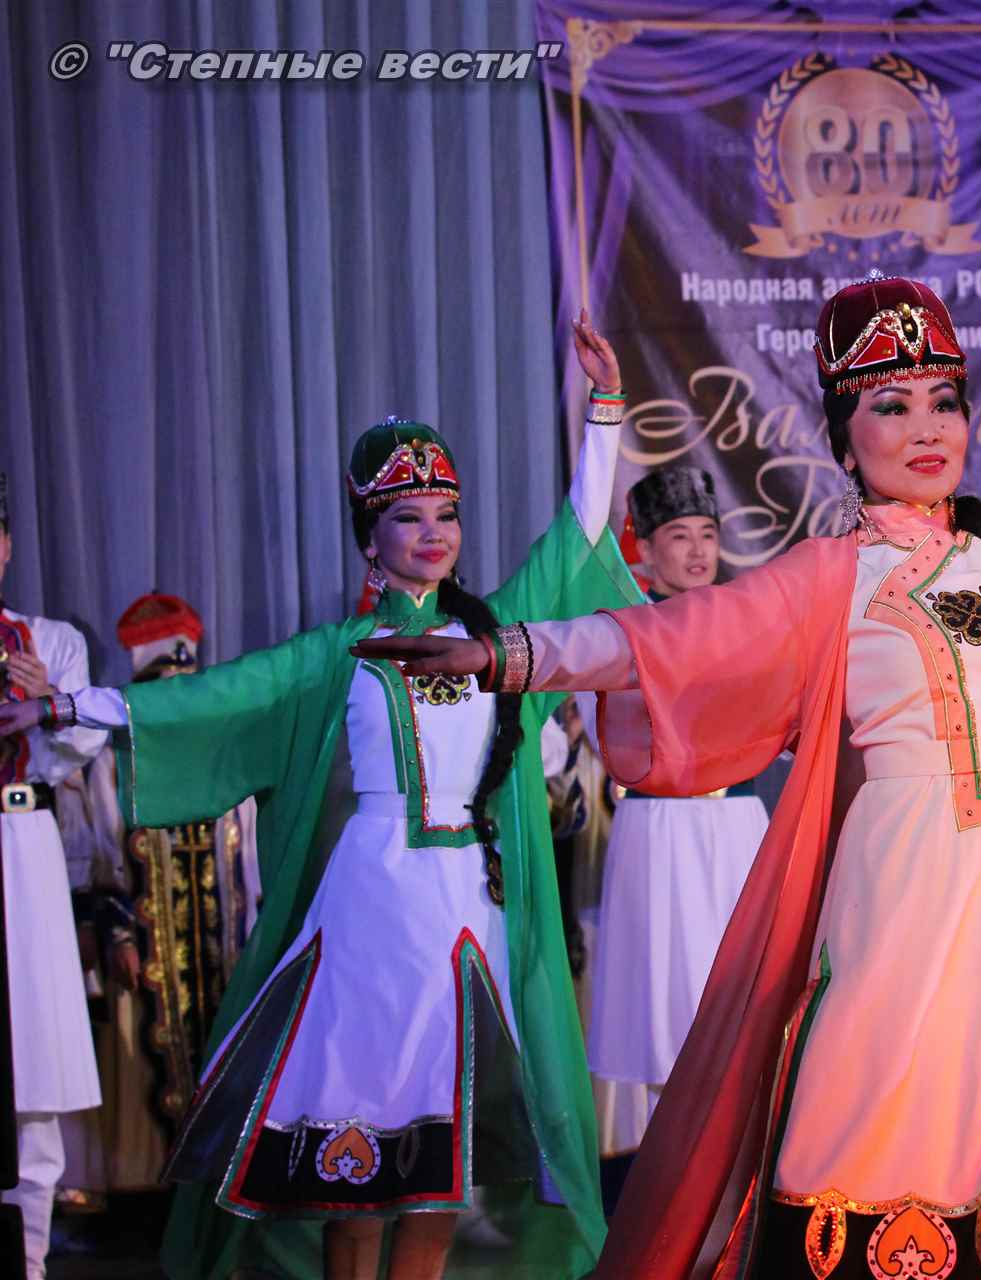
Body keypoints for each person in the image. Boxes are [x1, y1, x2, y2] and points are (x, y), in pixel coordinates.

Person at [356, 142, 981, 1279]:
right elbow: (665, 640)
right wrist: (503, 653)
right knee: (903, 1139)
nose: (928, 426)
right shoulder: (828, 579)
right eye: (892, 406)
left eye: (944, 401)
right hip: (908, 891)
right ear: (845, 435)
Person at [4, 315, 640, 1279]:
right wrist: (69, 702)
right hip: (372, 913)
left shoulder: (497, 638)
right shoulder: (334, 656)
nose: (433, 533)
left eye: (446, 514)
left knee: (443, 1168)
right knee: (362, 1165)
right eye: (408, 518)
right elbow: (214, 697)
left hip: (466, 913)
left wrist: (605, 411)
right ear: (370, 540)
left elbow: (579, 537)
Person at [583, 464, 769, 1163]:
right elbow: (599, 729)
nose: (696, 550)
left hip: (735, 826)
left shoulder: (750, 622)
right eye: (679, 536)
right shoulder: (623, 631)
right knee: (669, 1012)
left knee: (743, 1006)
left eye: (707, 535)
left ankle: (737, 1182)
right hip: (660, 829)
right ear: (648, 548)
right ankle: (673, 1177)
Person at [58, 594, 260, 1198]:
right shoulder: (113, 764)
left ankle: (225, 1180)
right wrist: (117, 932)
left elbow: (252, 861)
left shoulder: (230, 758)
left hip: (226, 947)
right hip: (148, 951)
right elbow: (100, 852)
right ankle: (150, 1189)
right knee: (149, 1058)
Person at [0, 475, 108, 1280]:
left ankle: (30, 1256)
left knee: (30, 1048)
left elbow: (82, 746)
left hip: (23, 841)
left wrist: (54, 703)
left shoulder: (48, 642)